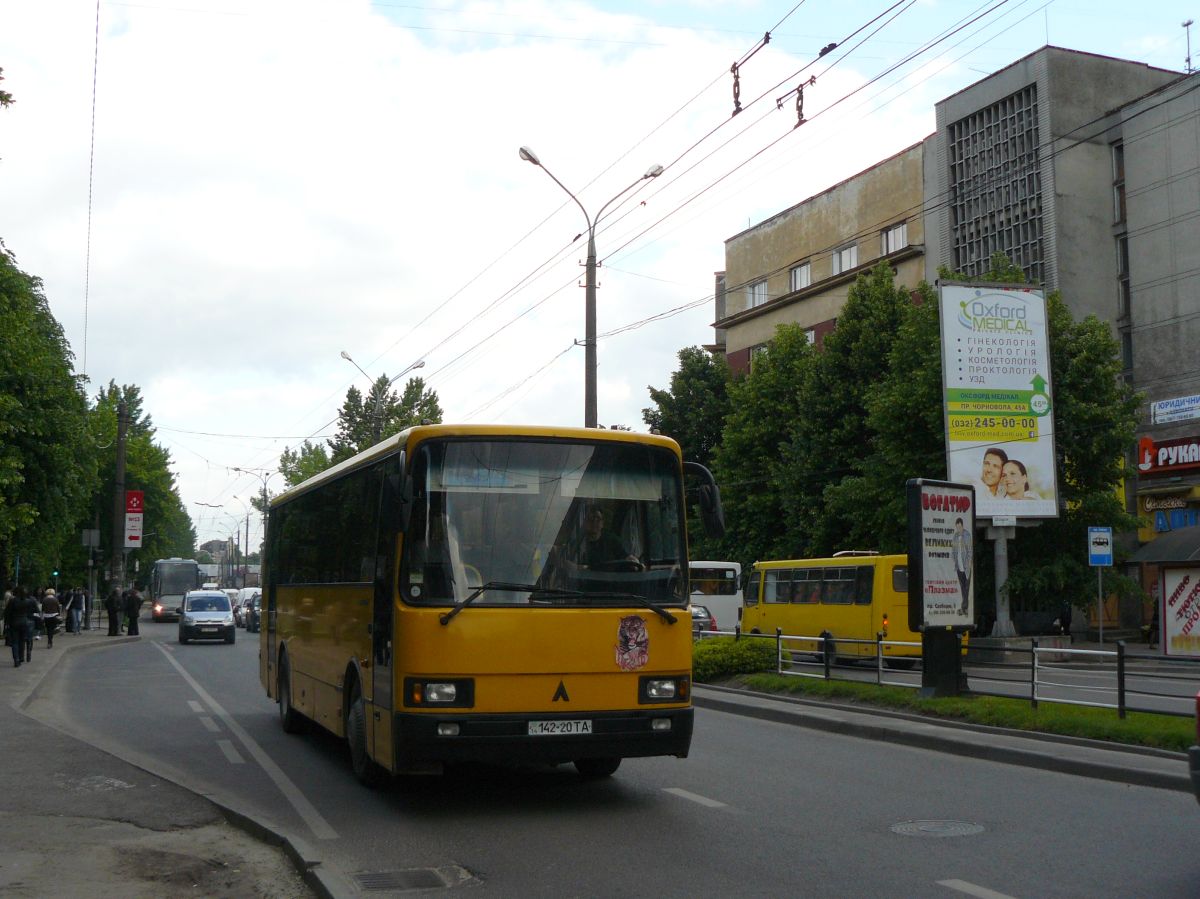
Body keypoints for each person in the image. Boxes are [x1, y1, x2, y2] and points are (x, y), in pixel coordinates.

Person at [4, 586, 38, 667]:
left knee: (15, 642)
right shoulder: (27, 601)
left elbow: (7, 613)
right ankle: (21, 657)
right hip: (24, 622)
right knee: (22, 640)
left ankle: (16, 659)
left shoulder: (13, 601)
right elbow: (33, 611)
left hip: (14, 622)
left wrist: (7, 623)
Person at [951, 517, 972, 615]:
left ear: (962, 526)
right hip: (958, 565)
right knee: (962, 587)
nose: (958, 529)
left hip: (966, 566)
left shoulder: (967, 535)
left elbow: (970, 551)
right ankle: (964, 607)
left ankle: (965, 608)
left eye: (960, 527)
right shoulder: (955, 536)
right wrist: (954, 559)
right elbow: (953, 550)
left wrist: (968, 563)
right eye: (957, 527)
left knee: (966, 588)